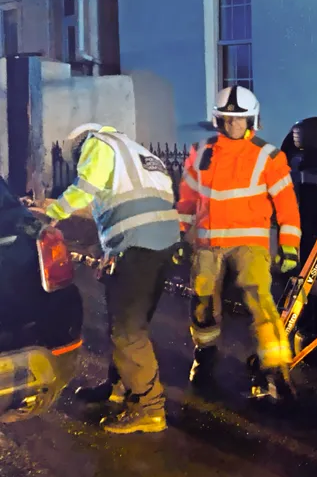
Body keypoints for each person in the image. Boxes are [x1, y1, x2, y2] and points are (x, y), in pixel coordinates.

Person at [47, 123, 180, 434]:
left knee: (127, 331)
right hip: (160, 245)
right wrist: (108, 249)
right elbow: (128, 204)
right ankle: (119, 387)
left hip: (138, 247)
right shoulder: (137, 152)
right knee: (127, 323)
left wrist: (53, 212)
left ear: (79, 147)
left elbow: (84, 190)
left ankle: (149, 408)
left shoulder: (97, 144)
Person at [176, 85, 302, 398]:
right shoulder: (201, 151)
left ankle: (274, 369)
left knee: (259, 299)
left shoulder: (268, 156)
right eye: (227, 119)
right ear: (217, 120)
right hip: (207, 243)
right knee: (202, 303)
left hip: (249, 243)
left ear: (252, 120)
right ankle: (204, 357)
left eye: (239, 119)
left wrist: (289, 246)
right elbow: (188, 200)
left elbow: (287, 205)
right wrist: (180, 236)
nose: (233, 125)